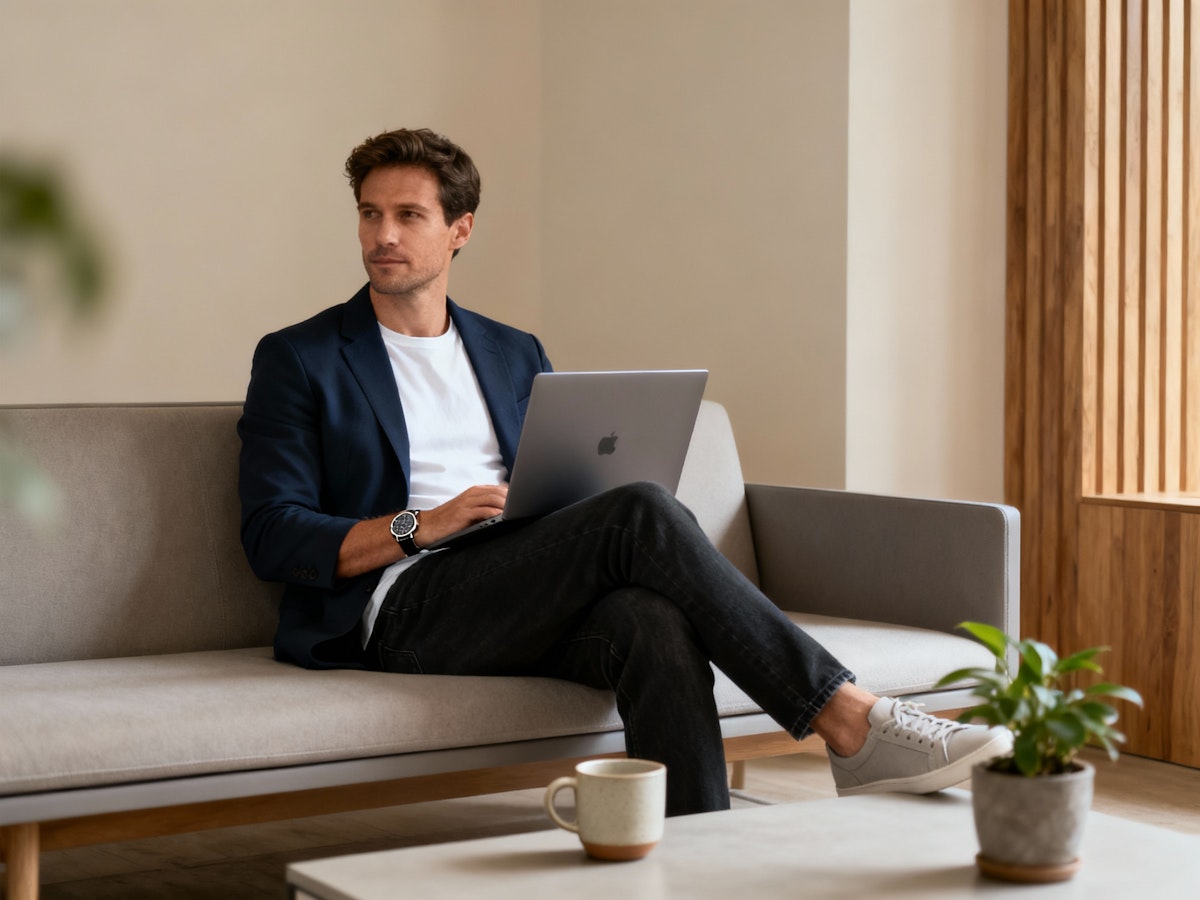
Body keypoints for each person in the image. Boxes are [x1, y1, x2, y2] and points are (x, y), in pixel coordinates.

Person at [238, 127, 1009, 816]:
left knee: (654, 621)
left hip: (518, 580)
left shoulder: (513, 352)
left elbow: (555, 483)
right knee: (639, 510)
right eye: (371, 213)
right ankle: (848, 719)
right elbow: (274, 535)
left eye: (409, 215)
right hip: (404, 607)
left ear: (460, 230)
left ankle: (695, 855)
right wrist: (421, 525)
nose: (383, 234)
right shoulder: (300, 357)